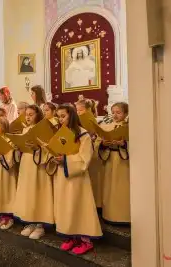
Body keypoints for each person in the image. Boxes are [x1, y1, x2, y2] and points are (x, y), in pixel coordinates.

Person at [53, 104, 102, 255]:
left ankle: (85, 241)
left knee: (79, 207)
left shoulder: (83, 134)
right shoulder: (61, 133)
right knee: (66, 207)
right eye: (59, 116)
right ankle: (71, 236)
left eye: (63, 116)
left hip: (77, 179)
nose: (60, 119)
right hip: (63, 176)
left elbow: (84, 159)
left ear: (72, 115)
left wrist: (65, 160)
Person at [13, 105, 54, 240]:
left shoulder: (44, 128)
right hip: (26, 163)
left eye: (31, 114)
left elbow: (50, 149)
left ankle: (39, 224)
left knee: (38, 193)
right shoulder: (25, 129)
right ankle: (29, 221)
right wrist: (17, 146)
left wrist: (38, 148)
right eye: (27, 114)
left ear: (39, 115)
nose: (28, 117)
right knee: (28, 193)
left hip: (39, 166)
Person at [99, 102, 130, 224]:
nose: (115, 115)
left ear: (126, 113)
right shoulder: (107, 126)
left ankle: (124, 216)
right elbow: (98, 144)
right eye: (113, 112)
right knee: (109, 188)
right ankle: (109, 215)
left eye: (119, 112)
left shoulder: (129, 127)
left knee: (122, 188)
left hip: (123, 163)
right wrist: (103, 144)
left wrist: (123, 144)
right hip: (110, 159)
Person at [75, 98, 103, 209]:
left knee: (92, 178)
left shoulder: (90, 119)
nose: (78, 114)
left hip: (91, 151)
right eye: (76, 111)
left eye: (80, 111)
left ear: (88, 110)